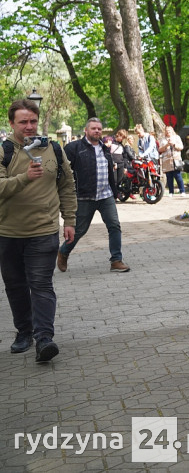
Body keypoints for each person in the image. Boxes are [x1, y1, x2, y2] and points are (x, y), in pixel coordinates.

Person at [0, 99, 76, 362]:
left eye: (33, 121)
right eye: (23, 122)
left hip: (43, 230)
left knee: (41, 284)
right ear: (12, 123)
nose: (29, 126)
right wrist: (23, 178)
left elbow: (66, 185)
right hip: (7, 232)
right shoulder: (3, 150)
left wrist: (70, 220)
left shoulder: (53, 149)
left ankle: (44, 339)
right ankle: (24, 332)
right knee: (16, 285)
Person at [58, 118, 130, 273]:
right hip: (84, 197)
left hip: (106, 195)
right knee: (79, 231)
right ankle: (63, 252)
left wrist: (114, 191)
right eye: (93, 128)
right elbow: (63, 172)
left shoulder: (105, 148)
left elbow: (110, 171)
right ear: (86, 130)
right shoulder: (74, 148)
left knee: (114, 226)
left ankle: (116, 260)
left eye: (99, 128)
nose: (97, 131)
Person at [159, 126, 185, 194]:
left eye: (169, 130)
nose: (168, 132)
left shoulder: (177, 137)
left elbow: (181, 147)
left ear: (172, 131)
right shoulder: (163, 139)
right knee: (169, 177)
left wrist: (174, 145)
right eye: (166, 131)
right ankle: (171, 192)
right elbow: (160, 149)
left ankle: (182, 191)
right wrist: (166, 145)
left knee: (178, 176)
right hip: (166, 160)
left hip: (175, 159)